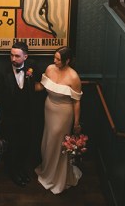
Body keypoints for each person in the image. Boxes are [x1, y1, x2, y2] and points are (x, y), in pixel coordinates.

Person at [34, 46, 83, 194]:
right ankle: (47, 169)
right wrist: (25, 82)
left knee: (58, 142)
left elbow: (76, 102)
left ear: (67, 60)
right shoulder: (49, 69)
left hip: (64, 113)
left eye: (58, 59)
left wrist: (76, 123)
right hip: (48, 108)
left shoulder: (73, 77)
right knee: (48, 140)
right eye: (54, 57)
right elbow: (40, 87)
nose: (54, 61)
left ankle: (58, 177)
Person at [0, 41, 42, 187]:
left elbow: (38, 87)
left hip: (28, 116)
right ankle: (13, 172)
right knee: (12, 145)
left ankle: (21, 169)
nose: (13, 59)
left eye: (17, 56)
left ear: (25, 57)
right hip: (10, 117)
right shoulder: (2, 71)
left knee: (25, 144)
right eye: (11, 55)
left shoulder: (33, 66)